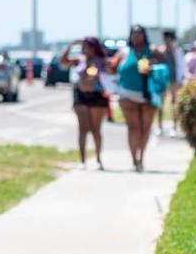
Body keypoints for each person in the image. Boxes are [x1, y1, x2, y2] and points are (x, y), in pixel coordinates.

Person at [114, 25, 166, 172]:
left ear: (144, 35)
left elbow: (165, 67)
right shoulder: (123, 52)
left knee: (145, 128)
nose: (136, 36)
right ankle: (133, 160)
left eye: (139, 33)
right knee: (133, 128)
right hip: (127, 94)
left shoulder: (153, 50)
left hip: (148, 94)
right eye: (133, 34)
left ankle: (141, 157)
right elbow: (111, 68)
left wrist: (152, 68)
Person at [59, 37, 109, 170]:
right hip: (81, 96)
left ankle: (98, 159)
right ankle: (82, 160)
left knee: (95, 129)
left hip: (97, 96)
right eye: (85, 46)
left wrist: (100, 73)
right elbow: (63, 61)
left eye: (89, 46)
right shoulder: (79, 59)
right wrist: (71, 45)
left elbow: (111, 73)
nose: (86, 49)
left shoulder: (101, 61)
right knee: (83, 129)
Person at [157, 30, 185, 136]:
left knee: (174, 102)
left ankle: (175, 126)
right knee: (160, 103)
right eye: (165, 38)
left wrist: (180, 80)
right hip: (163, 80)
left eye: (169, 38)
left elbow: (181, 66)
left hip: (174, 80)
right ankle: (160, 126)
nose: (167, 40)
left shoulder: (177, 50)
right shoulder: (160, 51)